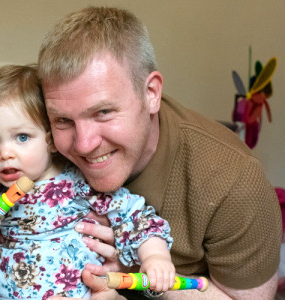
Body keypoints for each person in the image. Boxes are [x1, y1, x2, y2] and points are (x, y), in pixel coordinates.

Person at [37, 6, 282, 300]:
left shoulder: (234, 180)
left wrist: (136, 273)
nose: (84, 144)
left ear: (151, 93)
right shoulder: (38, 149)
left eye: (103, 112)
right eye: (63, 120)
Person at [0, 64, 175, 300]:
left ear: (51, 140)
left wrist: (155, 258)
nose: (5, 153)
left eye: (22, 137)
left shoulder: (78, 182)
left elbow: (135, 218)